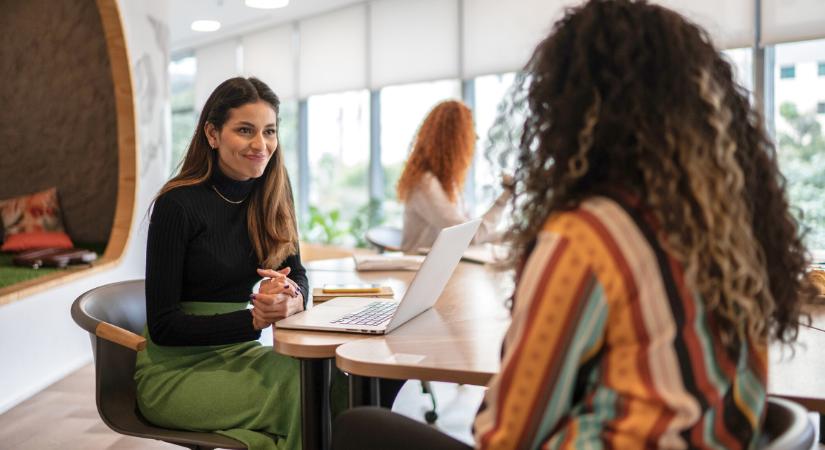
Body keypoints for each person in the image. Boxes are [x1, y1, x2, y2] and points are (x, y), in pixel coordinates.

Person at [332, 0, 817, 449]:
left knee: (358, 425)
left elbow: (506, 436)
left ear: (569, 113)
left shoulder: (586, 237)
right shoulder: (723, 228)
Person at [134, 77, 309, 450]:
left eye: (269, 131)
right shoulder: (176, 205)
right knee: (302, 391)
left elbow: (300, 275)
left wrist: (293, 298)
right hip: (175, 371)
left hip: (237, 355)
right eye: (245, 130)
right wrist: (253, 319)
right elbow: (164, 326)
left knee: (330, 379)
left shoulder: (273, 194)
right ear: (212, 134)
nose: (261, 145)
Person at [396, 100, 513, 252]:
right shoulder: (425, 184)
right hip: (420, 270)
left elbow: (474, 234)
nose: (475, 138)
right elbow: (469, 236)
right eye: (469, 132)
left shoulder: (448, 184)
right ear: (455, 140)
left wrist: (512, 235)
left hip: (441, 267)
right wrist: (504, 199)